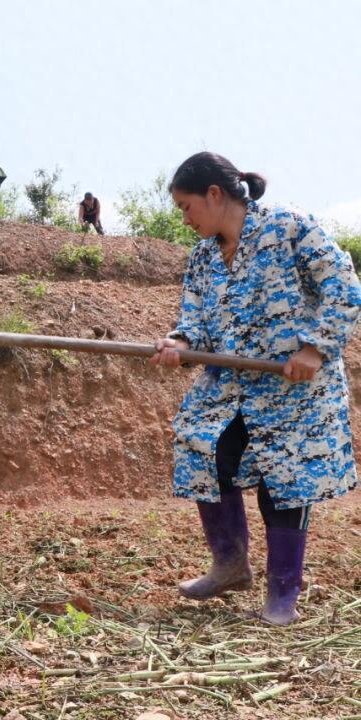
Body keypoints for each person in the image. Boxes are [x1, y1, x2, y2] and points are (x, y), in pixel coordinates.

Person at [150, 151, 361, 626]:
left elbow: (344, 287)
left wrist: (315, 349)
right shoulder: (204, 256)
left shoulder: (289, 228)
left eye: (187, 207)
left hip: (296, 387)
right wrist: (179, 341)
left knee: (284, 482)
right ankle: (230, 566)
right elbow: (196, 320)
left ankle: (283, 592)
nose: (184, 219)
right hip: (232, 385)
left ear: (215, 194)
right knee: (203, 446)